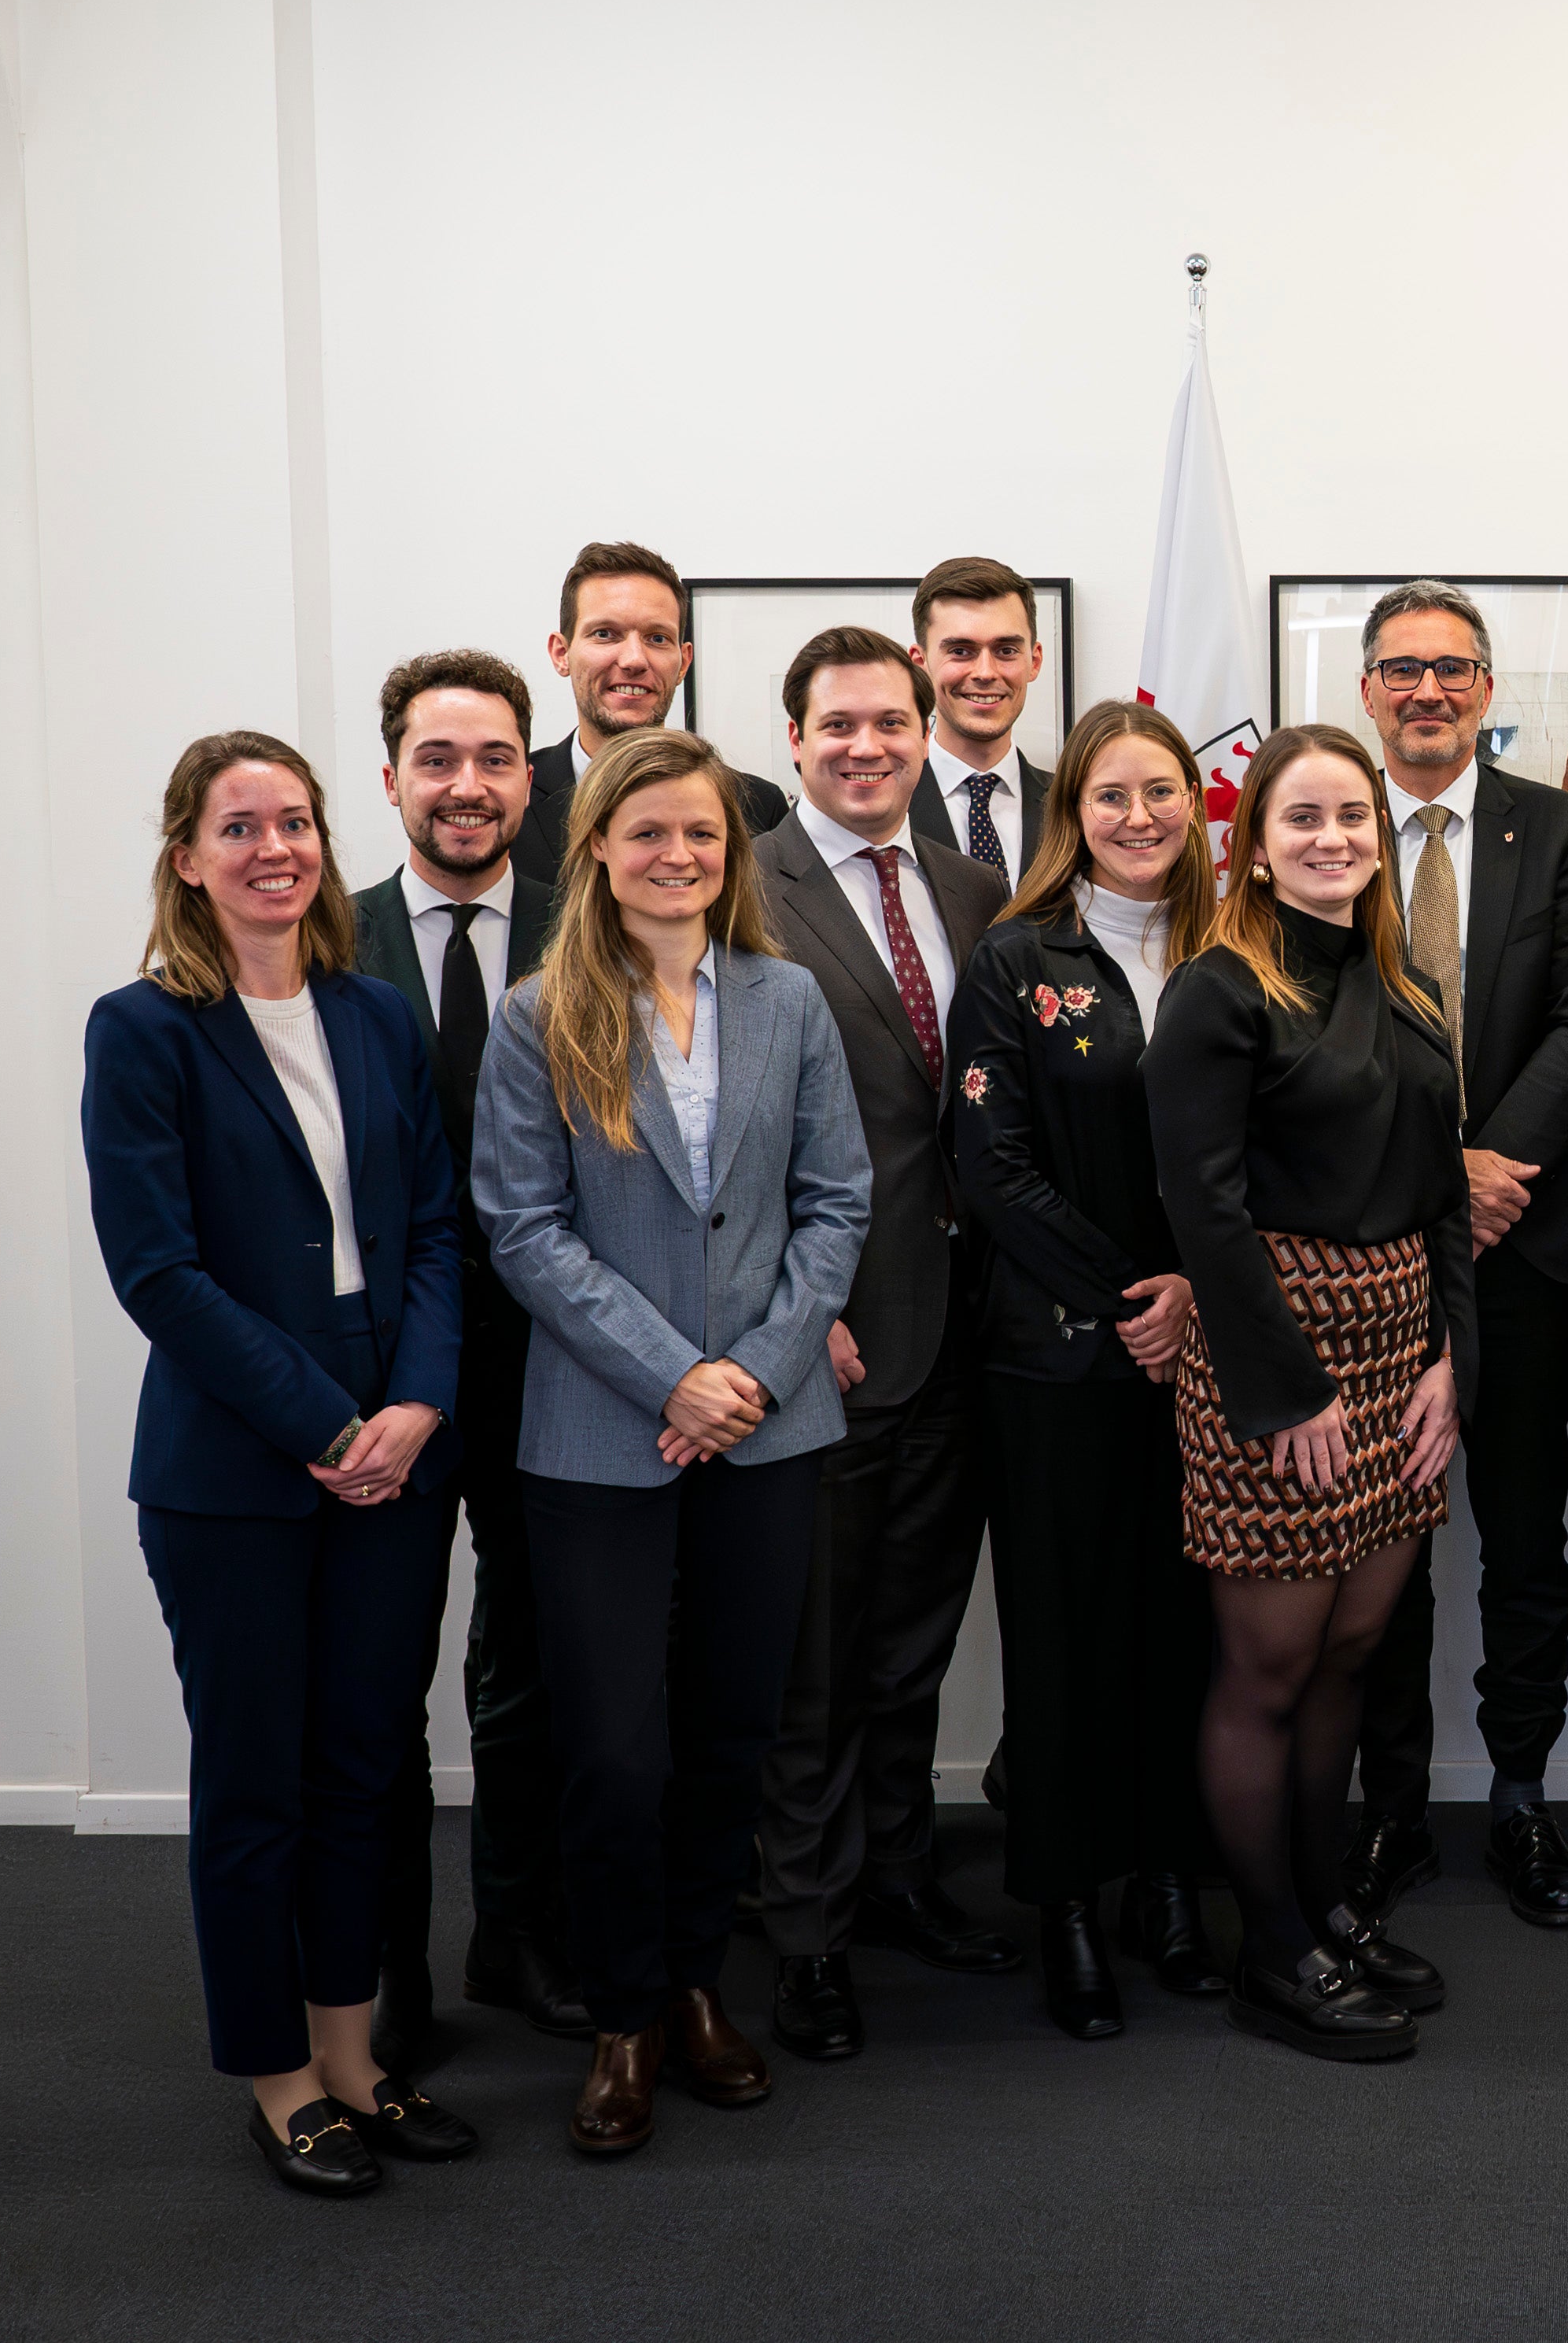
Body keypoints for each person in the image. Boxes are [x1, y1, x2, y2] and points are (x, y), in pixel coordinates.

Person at [84, 730, 476, 2194]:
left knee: (363, 1769)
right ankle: (275, 2072)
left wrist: (418, 1408)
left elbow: (435, 1228)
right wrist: (326, 1423)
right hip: (238, 1474)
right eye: (237, 825)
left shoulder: (375, 1015)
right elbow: (158, 1271)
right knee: (255, 1778)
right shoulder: (143, 1029)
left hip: (399, 1453)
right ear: (187, 855)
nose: (274, 847)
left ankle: (355, 2049)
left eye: (295, 821)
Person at [473, 727, 871, 2157]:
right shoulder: (539, 1011)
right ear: (594, 847)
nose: (677, 855)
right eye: (646, 832)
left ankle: (701, 1983)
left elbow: (837, 1202)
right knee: (612, 1749)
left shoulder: (790, 999)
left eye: (700, 832)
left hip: (769, 1431)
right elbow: (523, 1227)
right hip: (597, 1436)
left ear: (731, 849)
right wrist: (675, 1374)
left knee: (729, 1732)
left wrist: (752, 1373)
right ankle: (622, 2015)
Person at [1146, 724, 1474, 2061]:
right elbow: (1202, 1206)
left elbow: (1446, 1190)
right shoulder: (1220, 988)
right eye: (1303, 818)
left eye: (1352, 814)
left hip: (1401, 1350)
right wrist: (1284, 1393)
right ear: (1255, 842)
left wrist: (1452, 1355)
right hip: (1271, 1353)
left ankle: (1326, 1902)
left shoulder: (1407, 988)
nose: (1333, 835)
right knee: (1269, 1664)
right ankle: (1270, 1947)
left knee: (1350, 1649)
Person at [747, 628, 1017, 2064]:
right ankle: (806, 1931)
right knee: (818, 1660)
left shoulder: (980, 891)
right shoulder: (748, 894)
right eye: (836, 725)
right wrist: (806, 1308)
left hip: (971, 1333)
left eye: (889, 724)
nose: (865, 746)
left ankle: (903, 1876)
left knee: (915, 1637)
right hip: (829, 1336)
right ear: (791, 738)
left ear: (927, 735)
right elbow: (730, 1129)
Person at [1342, 583, 1568, 1931]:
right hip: (1365, 1249)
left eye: (1451, 668)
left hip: (1517, 1246)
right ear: (1365, 689)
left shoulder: (1560, 830)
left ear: (1486, 685)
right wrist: (1424, 1184)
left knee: (1522, 1531)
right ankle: (1389, 1804)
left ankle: (1518, 1792)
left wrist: (1486, 1170)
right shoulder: (1323, 830)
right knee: (1382, 1534)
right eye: (1401, 667)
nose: (1427, 691)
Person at [942, 700, 1223, 2036]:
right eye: (1110, 795)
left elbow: (1265, 1154)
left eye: (1159, 792)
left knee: (1181, 1634)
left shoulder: (1242, 943)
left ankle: (1167, 1876)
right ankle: (1063, 1899)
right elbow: (990, 1166)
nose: (1137, 816)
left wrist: (1193, 1296)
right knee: (1058, 1643)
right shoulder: (1014, 956)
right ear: (1075, 814)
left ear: (1193, 801)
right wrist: (1131, 1298)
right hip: (1054, 1358)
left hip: (1209, 1354)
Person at [352, 653, 585, 2064]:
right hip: (384, 1380)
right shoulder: (329, 934)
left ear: (528, 777)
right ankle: (387, 1977)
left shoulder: (587, 930)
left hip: (557, 1361)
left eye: (496, 757)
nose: (468, 784)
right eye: (439, 757)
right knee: (381, 1678)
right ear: (392, 777)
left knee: (536, 1667)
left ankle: (519, 1933)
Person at [511, 541, 791, 885]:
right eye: (605, 634)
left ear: (683, 662)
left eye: (657, 638)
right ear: (561, 653)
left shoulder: (758, 808)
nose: (633, 660)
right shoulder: (509, 803)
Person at [906, 555, 1057, 875]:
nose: (986, 673)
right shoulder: (883, 802)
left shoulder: (1073, 806)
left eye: (1006, 651)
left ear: (1034, 661)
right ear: (920, 664)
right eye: (960, 651)